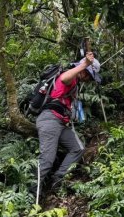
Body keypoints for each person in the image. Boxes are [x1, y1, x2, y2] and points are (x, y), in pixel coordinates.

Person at [31, 51, 101, 202]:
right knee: (47, 160)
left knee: (78, 148)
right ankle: (32, 194)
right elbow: (65, 78)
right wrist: (85, 65)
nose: (89, 80)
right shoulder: (70, 77)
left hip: (61, 122)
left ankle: (58, 179)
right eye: (89, 76)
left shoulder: (75, 83)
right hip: (49, 120)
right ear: (85, 72)